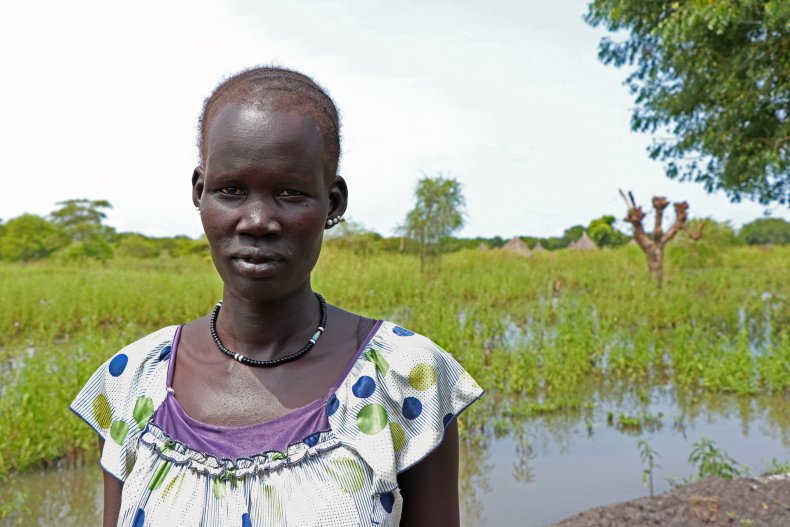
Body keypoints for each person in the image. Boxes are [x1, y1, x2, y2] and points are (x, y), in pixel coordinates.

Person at [71, 66, 483, 527]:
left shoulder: (407, 379)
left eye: (290, 193)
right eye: (231, 191)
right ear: (199, 192)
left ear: (334, 203)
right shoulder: (131, 381)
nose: (257, 220)